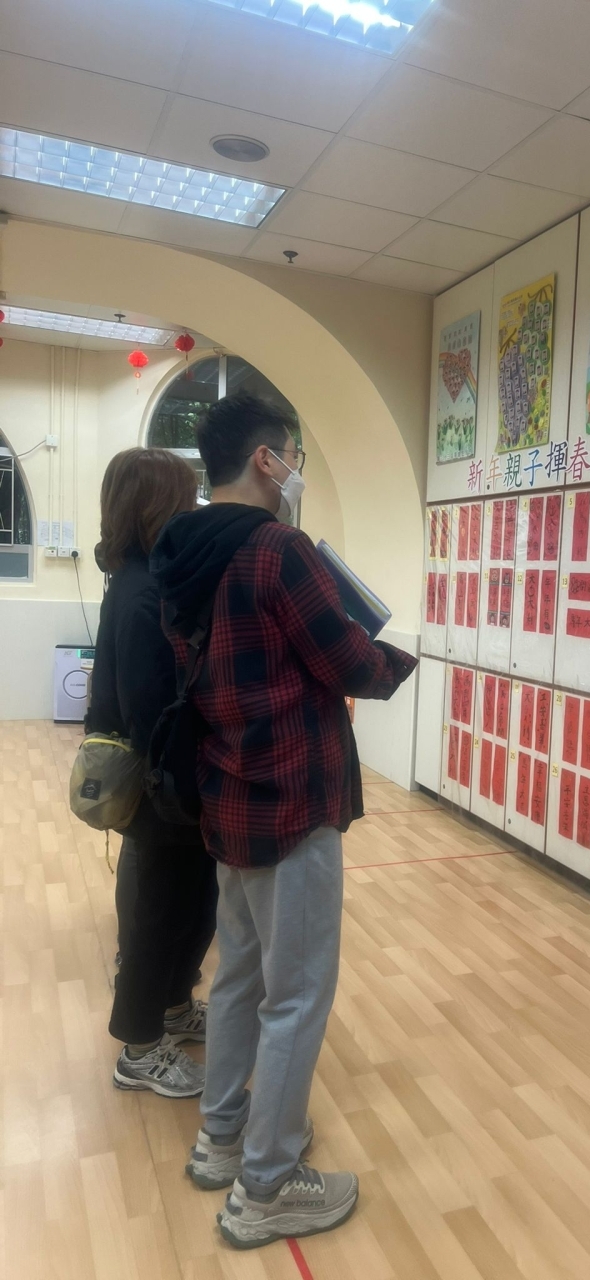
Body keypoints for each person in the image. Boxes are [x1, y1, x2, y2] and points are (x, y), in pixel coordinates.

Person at [151, 393, 417, 1249]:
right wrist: (396, 656)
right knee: (297, 994)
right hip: (293, 800)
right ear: (267, 461)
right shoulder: (279, 551)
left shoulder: (182, 552)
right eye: (292, 455)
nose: (296, 468)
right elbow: (350, 664)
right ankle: (265, 1186)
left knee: (239, 977)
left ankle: (221, 1138)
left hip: (226, 798)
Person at [86, 447, 218, 1098]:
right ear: (155, 505)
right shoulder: (141, 593)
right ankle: (139, 1048)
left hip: (173, 784)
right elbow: (149, 710)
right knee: (159, 918)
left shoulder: (144, 579)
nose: (192, 509)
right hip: (161, 786)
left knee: (194, 905)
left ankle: (173, 1007)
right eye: (184, 498)